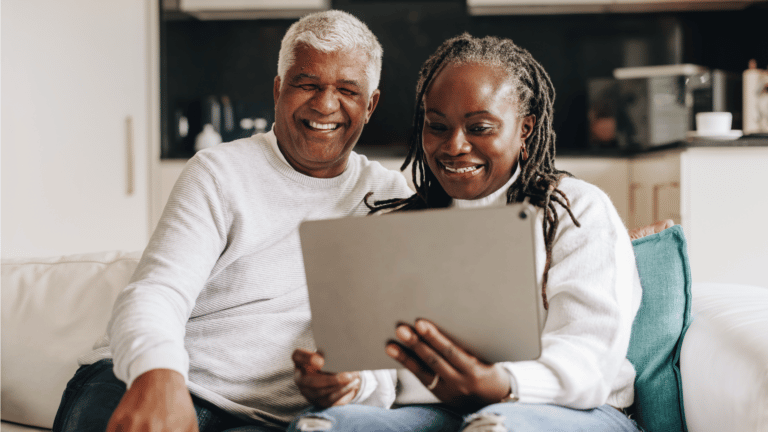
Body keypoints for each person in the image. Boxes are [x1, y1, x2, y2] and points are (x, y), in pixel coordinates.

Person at [51, 10, 414, 432]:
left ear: (370, 104)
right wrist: (158, 373)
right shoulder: (218, 172)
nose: (325, 104)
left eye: (347, 90)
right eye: (307, 84)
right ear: (279, 89)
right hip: (149, 380)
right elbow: (157, 291)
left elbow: (389, 360)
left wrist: (352, 384)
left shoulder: (392, 201)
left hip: (263, 420)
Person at [290, 34, 644, 432]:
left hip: (568, 410)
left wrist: (500, 384)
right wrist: (347, 382)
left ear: (525, 129)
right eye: (437, 126)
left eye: (480, 127)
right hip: (430, 411)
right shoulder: (403, 225)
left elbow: (590, 357)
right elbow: (383, 363)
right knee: (324, 426)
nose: (454, 145)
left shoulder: (574, 209)